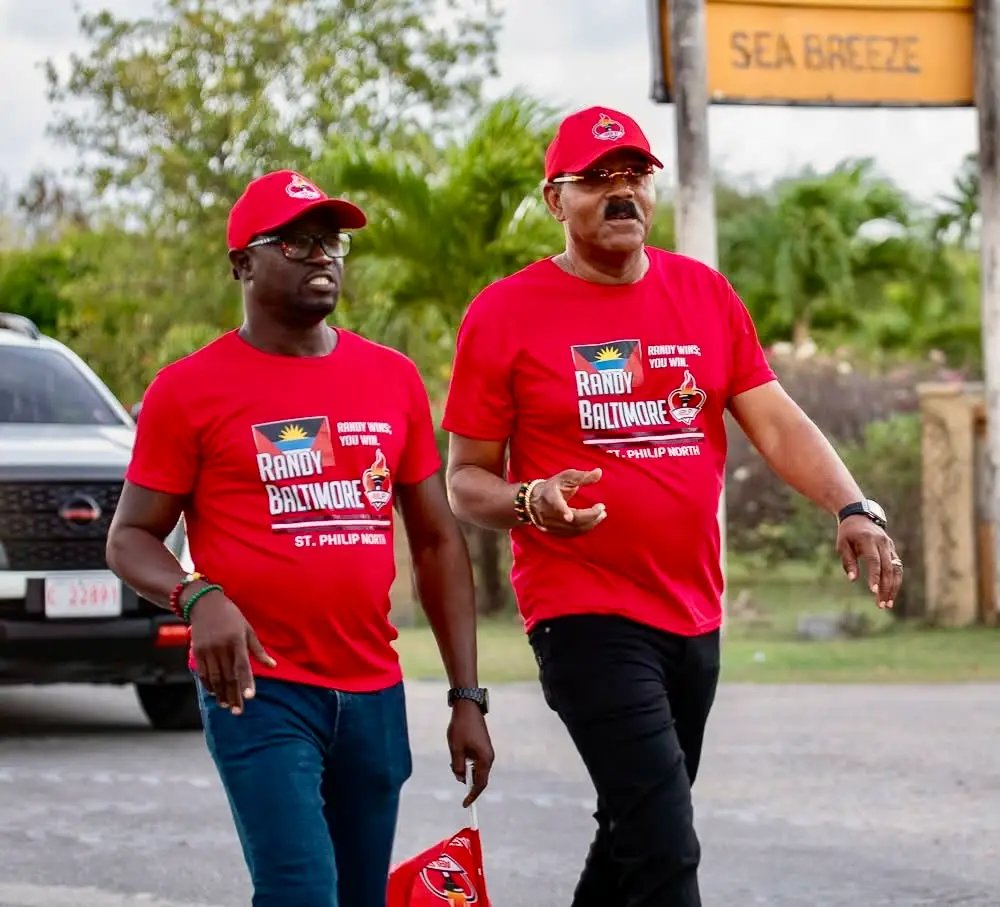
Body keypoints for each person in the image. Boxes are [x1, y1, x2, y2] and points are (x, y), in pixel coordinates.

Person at [442, 107, 903, 906]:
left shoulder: (704, 295)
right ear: (556, 199)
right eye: (597, 179)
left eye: (635, 176)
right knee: (665, 843)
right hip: (581, 611)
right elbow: (465, 480)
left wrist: (853, 505)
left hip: (692, 613)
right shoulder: (505, 313)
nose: (621, 193)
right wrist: (528, 499)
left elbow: (776, 419)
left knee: (631, 830)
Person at [106, 169, 494, 907]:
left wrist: (466, 695)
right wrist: (197, 593)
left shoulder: (393, 378)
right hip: (261, 691)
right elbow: (130, 538)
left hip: (372, 693)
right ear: (242, 263)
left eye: (332, 241)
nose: (322, 256)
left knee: (356, 897)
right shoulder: (188, 389)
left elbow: (439, 542)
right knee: (300, 892)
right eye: (295, 241)